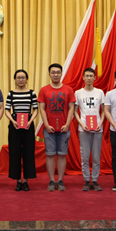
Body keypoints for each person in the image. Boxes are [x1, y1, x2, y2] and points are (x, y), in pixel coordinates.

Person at [38, 63, 75, 192]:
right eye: (53, 72)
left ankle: (60, 180)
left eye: (58, 72)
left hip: (64, 128)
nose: (55, 74)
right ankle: (51, 180)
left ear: (61, 74)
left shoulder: (68, 89)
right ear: (49, 74)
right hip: (49, 129)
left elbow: (71, 108)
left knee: (62, 155)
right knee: (50, 154)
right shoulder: (44, 90)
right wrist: (46, 125)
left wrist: (67, 124)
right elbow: (42, 109)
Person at [4, 69, 38, 191]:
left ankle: (26, 181)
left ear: (26, 79)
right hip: (15, 124)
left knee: (28, 152)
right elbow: (7, 110)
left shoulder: (32, 93)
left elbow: (35, 109)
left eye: (23, 77)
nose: (21, 80)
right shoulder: (11, 93)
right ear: (15, 79)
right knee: (15, 152)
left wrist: (30, 121)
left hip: (28, 124)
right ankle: (18, 181)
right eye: (18, 77)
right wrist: (13, 121)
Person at [74, 68, 105, 191]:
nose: (89, 78)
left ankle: (95, 180)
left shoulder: (100, 92)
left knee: (96, 157)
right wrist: (81, 124)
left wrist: (100, 123)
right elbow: (75, 111)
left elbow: (104, 111)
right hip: (84, 129)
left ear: (94, 78)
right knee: (85, 156)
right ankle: (87, 180)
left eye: (91, 76)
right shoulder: (78, 93)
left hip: (97, 128)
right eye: (86, 76)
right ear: (83, 78)